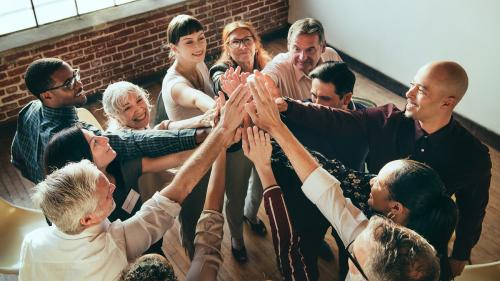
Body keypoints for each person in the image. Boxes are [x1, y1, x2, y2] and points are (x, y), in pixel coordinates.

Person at [273, 61, 492, 278]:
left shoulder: (473, 155)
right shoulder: (387, 120)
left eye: (421, 90)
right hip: (369, 224)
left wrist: (460, 254)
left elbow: (473, 210)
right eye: (412, 84)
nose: (409, 93)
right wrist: (287, 105)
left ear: (447, 102)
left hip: (421, 250)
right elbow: (336, 119)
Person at [19, 80, 249, 281]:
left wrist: (220, 134)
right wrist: (223, 134)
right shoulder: (113, 253)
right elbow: (203, 246)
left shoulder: (33, 241)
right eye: (107, 192)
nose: (112, 186)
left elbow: (176, 186)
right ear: (88, 218)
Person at [242, 124, 441, 281]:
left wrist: (265, 169)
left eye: (351, 252)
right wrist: (274, 130)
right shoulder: (382, 243)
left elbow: (293, 259)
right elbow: (328, 194)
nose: (370, 180)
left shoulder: (373, 246)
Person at [11, 58, 207, 184]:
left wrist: (43, 183)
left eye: (75, 75)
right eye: (69, 83)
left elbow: (18, 159)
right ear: (47, 96)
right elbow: (129, 142)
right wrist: (199, 135)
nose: (79, 84)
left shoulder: (29, 109)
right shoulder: (73, 134)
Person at [209, 21, 272, 261]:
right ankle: (236, 235)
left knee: (259, 184)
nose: (243, 45)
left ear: (255, 42)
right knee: (235, 192)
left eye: (247, 39)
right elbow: (219, 80)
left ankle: (251, 214)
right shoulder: (221, 69)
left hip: (263, 135)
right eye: (235, 41)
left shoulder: (264, 64)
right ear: (227, 46)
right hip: (236, 143)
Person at [161, 14, 218, 258]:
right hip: (188, 157)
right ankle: (193, 256)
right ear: (174, 48)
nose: (199, 46)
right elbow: (195, 98)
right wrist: (218, 107)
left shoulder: (199, 63)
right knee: (192, 211)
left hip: (206, 146)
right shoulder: (175, 83)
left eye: (201, 38)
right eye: (189, 42)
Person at [262, 18, 342, 101]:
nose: (302, 57)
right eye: (297, 49)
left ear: (323, 47)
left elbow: (344, 86)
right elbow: (265, 76)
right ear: (288, 46)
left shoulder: (331, 55)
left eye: (310, 50)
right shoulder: (280, 65)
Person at [102, 81, 214, 132]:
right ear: (114, 116)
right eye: (127, 108)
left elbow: (158, 130)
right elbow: (156, 136)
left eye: (139, 99)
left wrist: (204, 119)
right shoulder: (126, 137)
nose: (138, 109)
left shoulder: (134, 126)